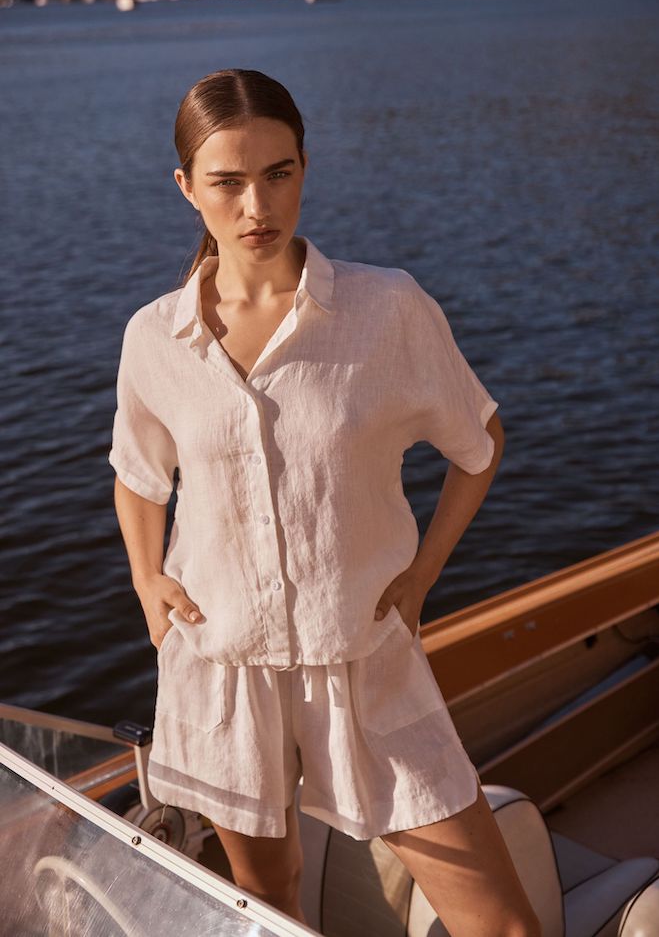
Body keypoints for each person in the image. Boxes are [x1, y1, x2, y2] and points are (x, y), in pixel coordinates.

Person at [108, 68, 541, 936]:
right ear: (187, 189)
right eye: (227, 182)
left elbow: (478, 443)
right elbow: (137, 472)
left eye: (279, 173)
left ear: (305, 168)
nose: (256, 205)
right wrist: (147, 581)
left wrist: (420, 579)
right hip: (222, 668)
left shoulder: (386, 311)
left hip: (365, 661)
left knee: (501, 924)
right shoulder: (156, 338)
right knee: (269, 904)